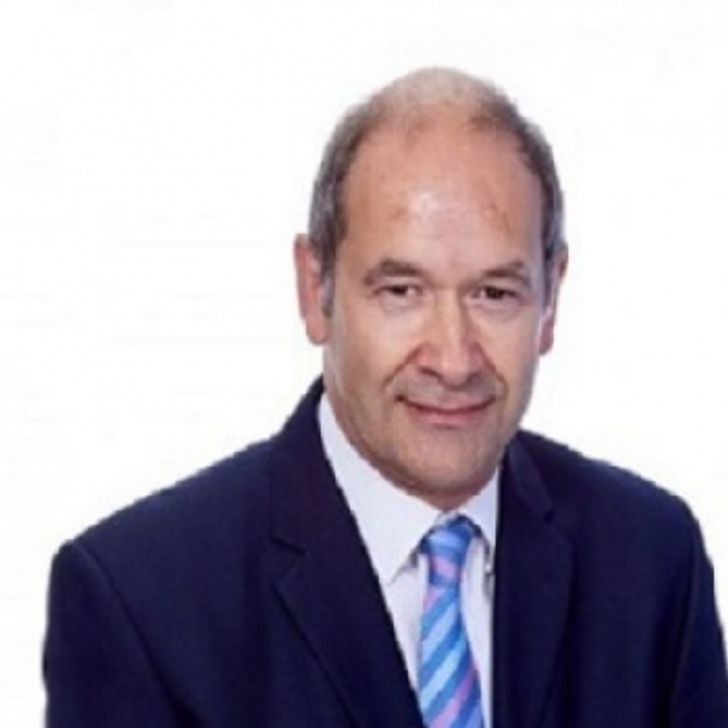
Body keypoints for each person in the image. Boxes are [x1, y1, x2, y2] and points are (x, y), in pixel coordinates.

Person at [44, 68, 728, 727]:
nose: (453, 359)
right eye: (401, 291)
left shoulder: (650, 562)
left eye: (495, 293)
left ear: (550, 299)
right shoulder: (140, 603)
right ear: (314, 290)